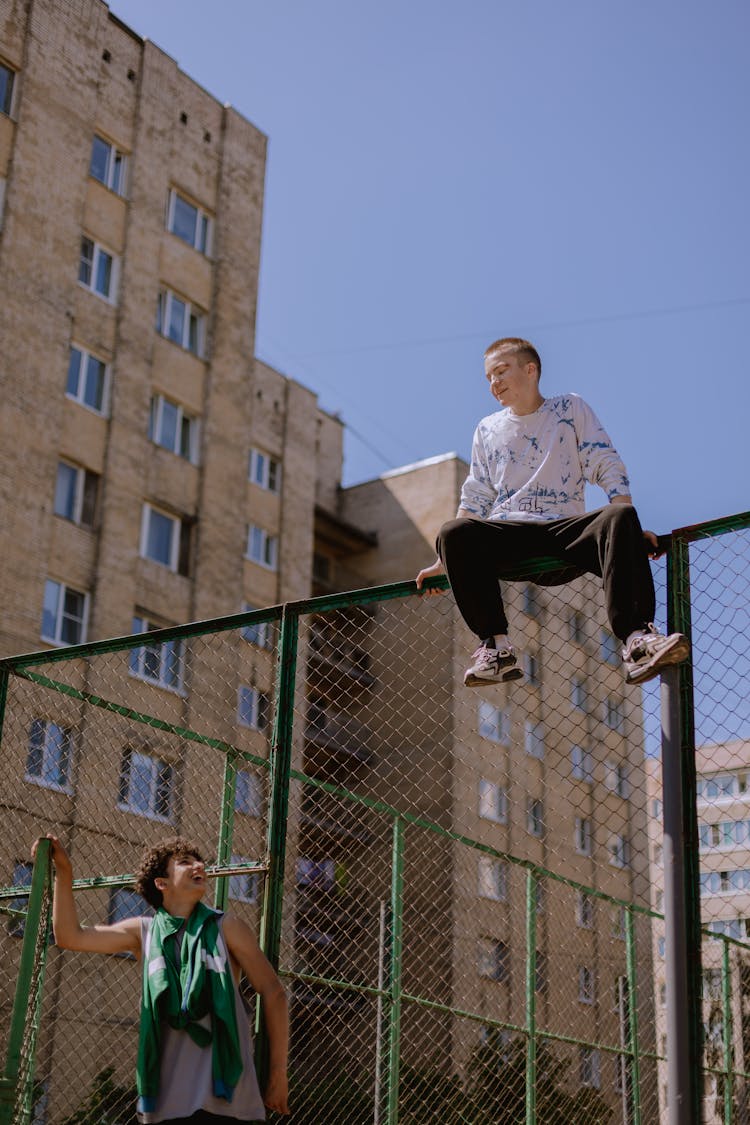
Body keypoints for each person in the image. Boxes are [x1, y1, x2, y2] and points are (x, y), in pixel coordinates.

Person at [415, 336, 689, 687]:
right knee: (452, 532)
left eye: (501, 372)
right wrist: (445, 559)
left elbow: (604, 461)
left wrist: (629, 529)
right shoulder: (488, 429)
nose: (494, 383)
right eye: (488, 378)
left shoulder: (569, 409)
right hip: (510, 536)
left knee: (618, 517)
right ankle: (496, 648)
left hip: (565, 532)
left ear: (530, 370)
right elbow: (477, 493)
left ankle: (637, 641)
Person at [33, 833, 289, 1123]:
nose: (199, 867)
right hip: (167, 1102)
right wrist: (64, 872)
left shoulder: (227, 927)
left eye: (200, 862)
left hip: (229, 1101)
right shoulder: (143, 932)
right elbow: (69, 936)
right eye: (185, 862)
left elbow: (273, 991)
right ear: (161, 883)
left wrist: (278, 1072)